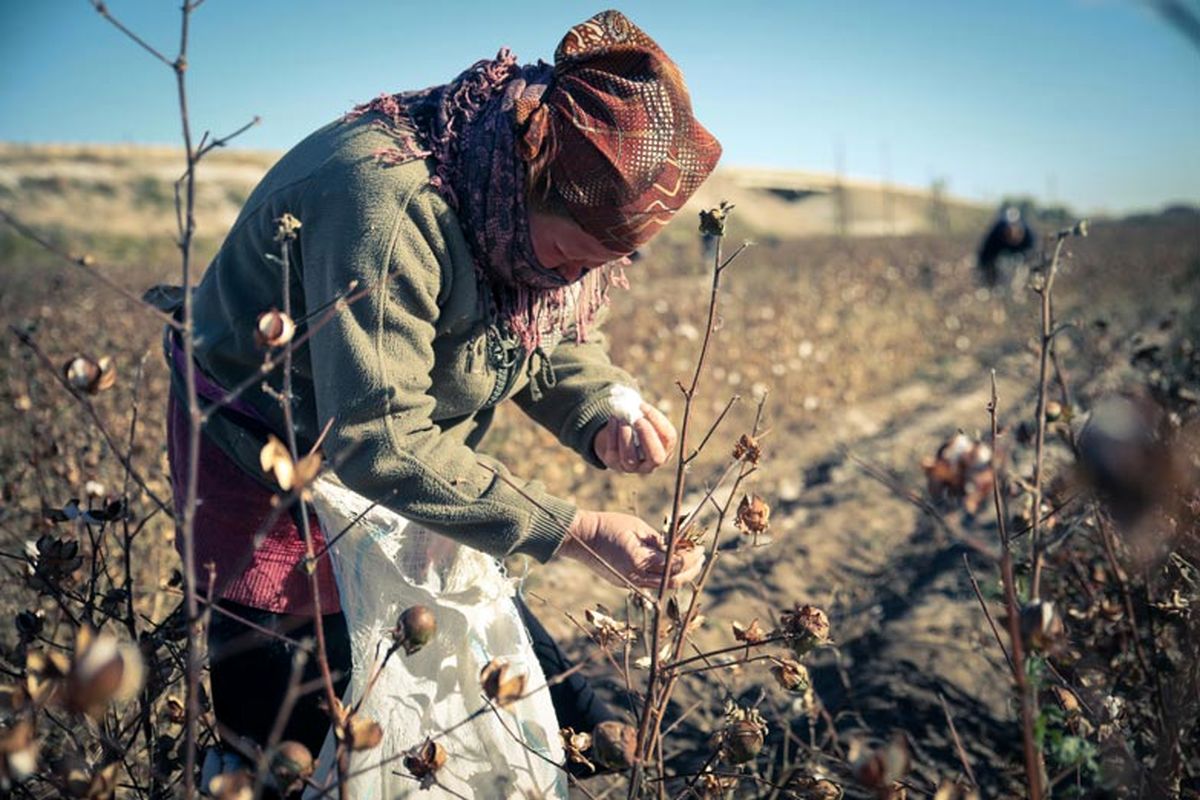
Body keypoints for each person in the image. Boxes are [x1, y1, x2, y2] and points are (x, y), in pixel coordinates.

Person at [157, 9, 719, 796]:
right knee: (293, 728)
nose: (568, 282)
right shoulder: (385, 206)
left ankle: (576, 726)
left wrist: (602, 412)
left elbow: (541, 324)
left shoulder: (525, 211)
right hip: (261, 443)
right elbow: (380, 439)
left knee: (448, 627)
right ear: (525, 184)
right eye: (567, 257)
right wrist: (577, 531)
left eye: (595, 268)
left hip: (388, 444)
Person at [977, 204, 1036, 287]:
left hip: (1020, 258)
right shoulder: (995, 234)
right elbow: (985, 255)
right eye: (1009, 232)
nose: (1013, 235)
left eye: (1016, 232)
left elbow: (1033, 253)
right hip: (1001, 260)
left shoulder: (1028, 235)